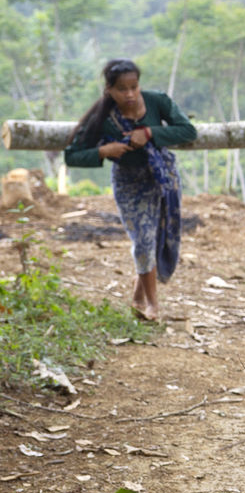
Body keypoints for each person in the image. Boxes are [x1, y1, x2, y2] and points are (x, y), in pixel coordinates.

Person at [64, 59, 196, 321]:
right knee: (142, 240)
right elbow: (72, 155)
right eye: (122, 89)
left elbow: (187, 131)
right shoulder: (102, 117)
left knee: (155, 237)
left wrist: (149, 132)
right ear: (109, 90)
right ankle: (153, 305)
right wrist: (104, 151)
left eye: (134, 87)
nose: (130, 94)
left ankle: (137, 298)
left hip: (163, 177)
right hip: (128, 182)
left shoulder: (157, 101)